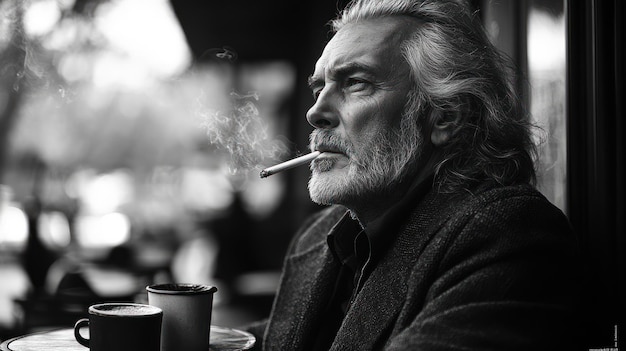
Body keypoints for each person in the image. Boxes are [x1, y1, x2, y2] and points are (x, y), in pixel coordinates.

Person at [245, 0, 582, 350]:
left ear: (446, 116)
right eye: (319, 89)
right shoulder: (318, 237)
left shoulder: (506, 231)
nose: (316, 112)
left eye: (355, 83)